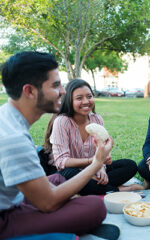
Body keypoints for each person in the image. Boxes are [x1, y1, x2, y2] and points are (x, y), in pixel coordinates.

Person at [0, 51, 112, 239]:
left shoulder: (8, 118)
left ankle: (68, 222)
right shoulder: (13, 138)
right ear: (29, 91)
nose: (62, 91)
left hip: (17, 198)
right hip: (5, 218)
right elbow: (47, 203)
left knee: (59, 180)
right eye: (56, 85)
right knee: (95, 206)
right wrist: (96, 163)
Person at [43, 79, 140, 195]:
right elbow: (61, 162)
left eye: (89, 96)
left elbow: (101, 152)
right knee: (70, 175)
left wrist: (101, 168)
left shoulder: (97, 119)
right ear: (69, 100)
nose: (86, 101)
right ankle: (120, 189)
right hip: (67, 172)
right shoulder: (62, 122)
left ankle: (94, 186)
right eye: (79, 98)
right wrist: (94, 162)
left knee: (129, 165)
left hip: (92, 170)